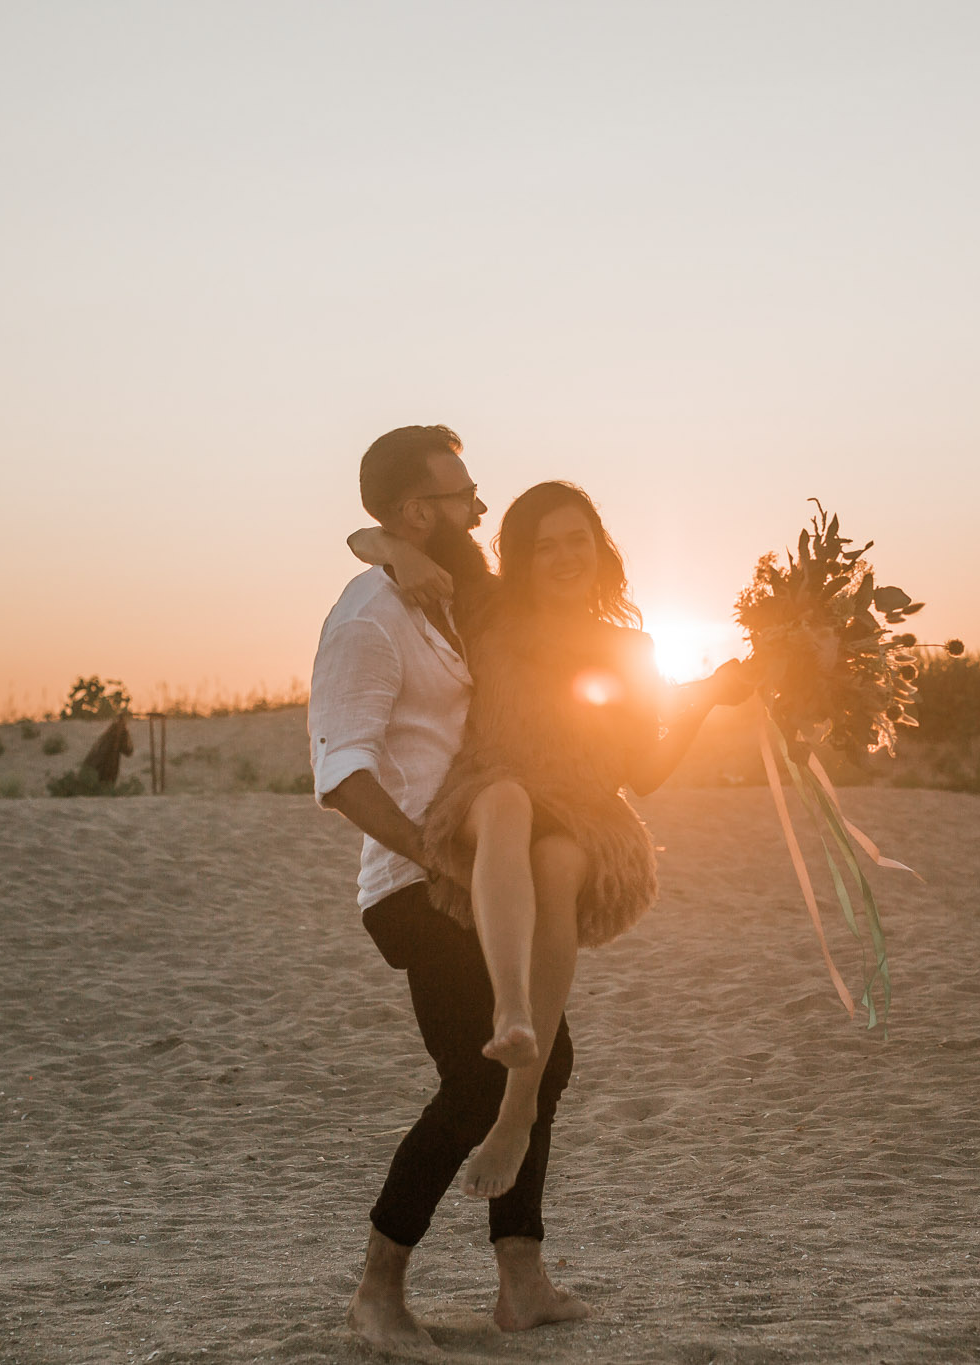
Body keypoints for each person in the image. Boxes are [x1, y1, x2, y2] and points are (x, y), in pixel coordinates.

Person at [347, 480, 754, 1205]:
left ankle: (518, 1106)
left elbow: (644, 772)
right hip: (489, 784)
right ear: (520, 558)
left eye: (578, 540)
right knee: (508, 800)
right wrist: (395, 555)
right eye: (545, 545)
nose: (565, 556)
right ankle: (512, 1013)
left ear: (602, 549)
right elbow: (367, 539)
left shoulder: (630, 646)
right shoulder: (487, 602)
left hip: (583, 804)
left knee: (561, 859)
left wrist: (705, 700)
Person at [311, 426, 589, 1353]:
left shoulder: (443, 592)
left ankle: (522, 1277)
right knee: (479, 1079)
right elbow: (343, 775)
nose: (478, 507)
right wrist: (435, 859)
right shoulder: (366, 619)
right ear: (412, 512)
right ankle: (377, 1287)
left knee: (542, 1057)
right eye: (461, 494)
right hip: (413, 883)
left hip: (482, 875)